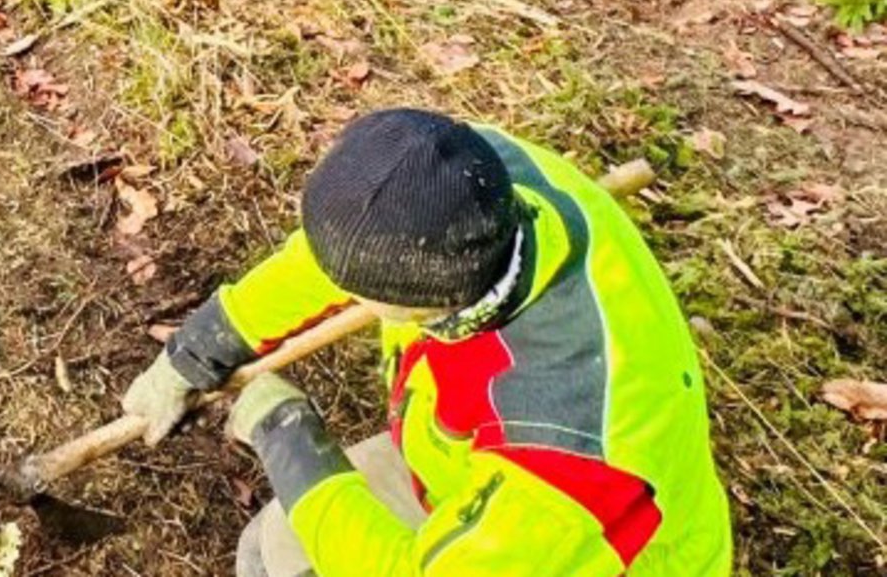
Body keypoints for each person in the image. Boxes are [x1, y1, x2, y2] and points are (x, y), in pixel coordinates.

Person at [120, 109, 733, 577]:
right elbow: (346, 247)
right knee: (274, 547)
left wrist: (288, 437)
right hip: (457, 465)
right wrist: (198, 350)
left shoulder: (569, 456)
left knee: (293, 546)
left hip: (571, 551)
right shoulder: (470, 176)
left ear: (423, 304)